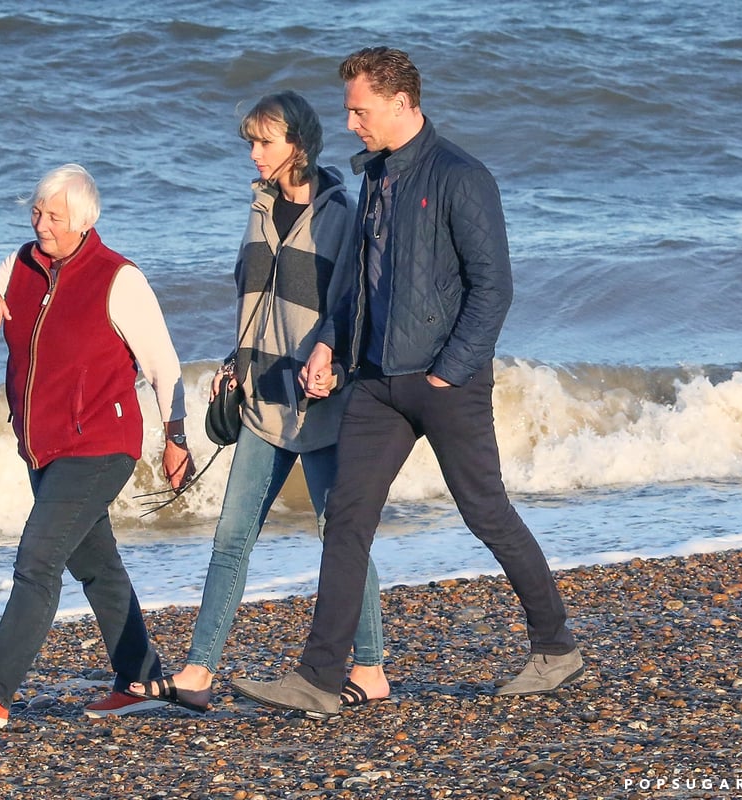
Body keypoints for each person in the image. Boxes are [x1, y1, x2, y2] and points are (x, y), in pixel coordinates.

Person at [232, 48, 583, 718]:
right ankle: (319, 678)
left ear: (400, 102)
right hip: (376, 383)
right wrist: (331, 342)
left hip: (446, 382)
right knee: (346, 520)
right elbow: (357, 283)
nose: (351, 121)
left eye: (359, 109)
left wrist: (449, 373)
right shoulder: (377, 178)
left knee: (486, 512)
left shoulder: (461, 176)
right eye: (348, 110)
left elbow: (494, 290)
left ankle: (556, 645)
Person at [125, 91, 390, 715]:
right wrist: (233, 366)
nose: (254, 153)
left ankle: (372, 667)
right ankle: (197, 670)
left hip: (319, 403)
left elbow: (351, 310)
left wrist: (334, 367)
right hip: (259, 400)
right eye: (251, 141)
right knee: (231, 536)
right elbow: (252, 301)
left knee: (339, 538)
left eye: (264, 142)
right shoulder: (258, 207)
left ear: (296, 143)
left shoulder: (341, 216)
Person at [0, 163, 196, 728]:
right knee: (97, 566)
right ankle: (140, 678)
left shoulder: (117, 277)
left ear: (82, 221)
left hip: (102, 444)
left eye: (54, 216)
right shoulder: (21, 264)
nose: (42, 224)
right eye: (37, 212)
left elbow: (163, 364)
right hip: (44, 449)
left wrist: (176, 437)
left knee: (37, 561)